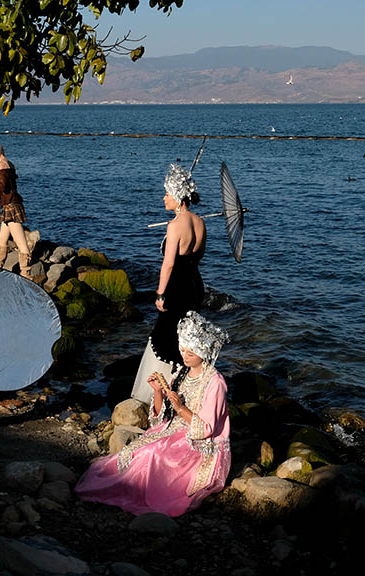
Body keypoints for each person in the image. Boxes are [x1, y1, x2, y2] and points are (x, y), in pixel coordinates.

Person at [75, 311, 231, 517]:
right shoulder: (182, 372)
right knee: (134, 450)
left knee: (154, 454)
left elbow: (207, 429)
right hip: (173, 429)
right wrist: (158, 391)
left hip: (200, 442)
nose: (184, 356)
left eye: (189, 354)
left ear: (203, 354)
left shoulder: (215, 382)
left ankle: (147, 496)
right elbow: (159, 418)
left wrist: (182, 409)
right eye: (182, 350)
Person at [129, 164, 206, 403]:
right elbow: (198, 256)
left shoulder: (174, 226)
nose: (164, 198)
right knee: (187, 338)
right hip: (195, 285)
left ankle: (162, 393)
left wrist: (161, 293)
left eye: (167, 194)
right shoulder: (201, 223)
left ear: (177, 196)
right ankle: (187, 387)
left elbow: (169, 264)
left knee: (165, 337)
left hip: (177, 288)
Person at [0, 142, 34, 280]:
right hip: (11, 204)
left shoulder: (0, 165)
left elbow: (3, 186)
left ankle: (26, 275)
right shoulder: (9, 163)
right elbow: (9, 187)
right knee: (2, 239)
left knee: (22, 245)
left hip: (11, 207)